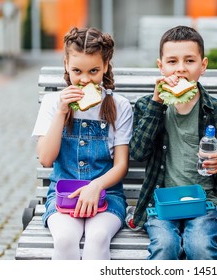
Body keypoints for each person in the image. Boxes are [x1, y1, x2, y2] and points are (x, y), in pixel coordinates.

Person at [129, 25, 217, 260]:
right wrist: (157, 104)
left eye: (189, 61)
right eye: (172, 61)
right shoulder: (148, 106)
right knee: (165, 247)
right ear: (161, 66)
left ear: (203, 65)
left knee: (199, 246)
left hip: (206, 202)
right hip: (162, 202)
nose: (180, 68)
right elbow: (138, 152)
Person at [31, 27, 133, 260]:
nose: (85, 79)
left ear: (106, 66)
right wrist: (61, 112)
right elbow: (46, 159)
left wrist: (96, 186)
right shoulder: (52, 103)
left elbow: (121, 166)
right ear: (66, 64)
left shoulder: (119, 106)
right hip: (63, 197)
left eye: (94, 71)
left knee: (97, 238)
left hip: (107, 195)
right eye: (77, 70)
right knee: (65, 239)